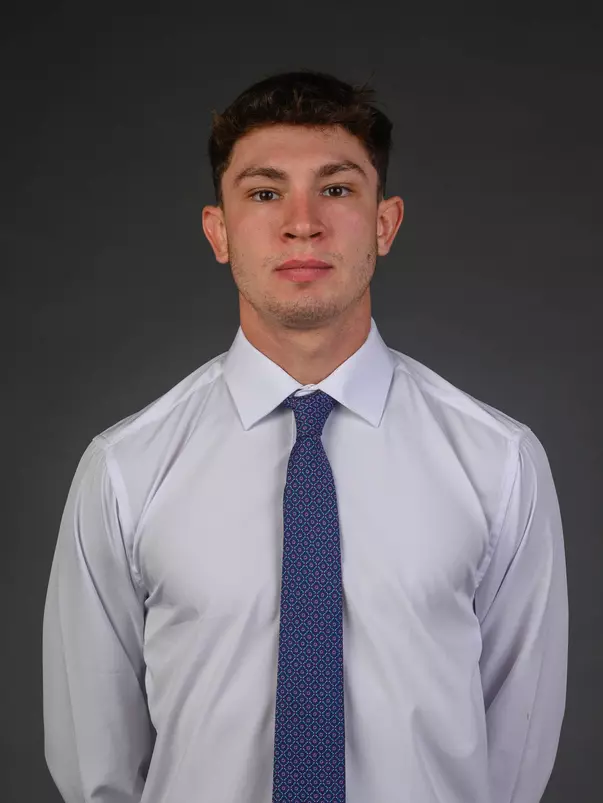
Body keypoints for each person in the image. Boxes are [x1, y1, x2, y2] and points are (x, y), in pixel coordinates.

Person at [42, 69, 569, 803]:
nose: (301, 222)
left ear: (383, 222)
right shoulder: (125, 470)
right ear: (218, 231)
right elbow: (94, 762)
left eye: (336, 188)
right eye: (263, 193)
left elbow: (513, 755)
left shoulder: (498, 462)